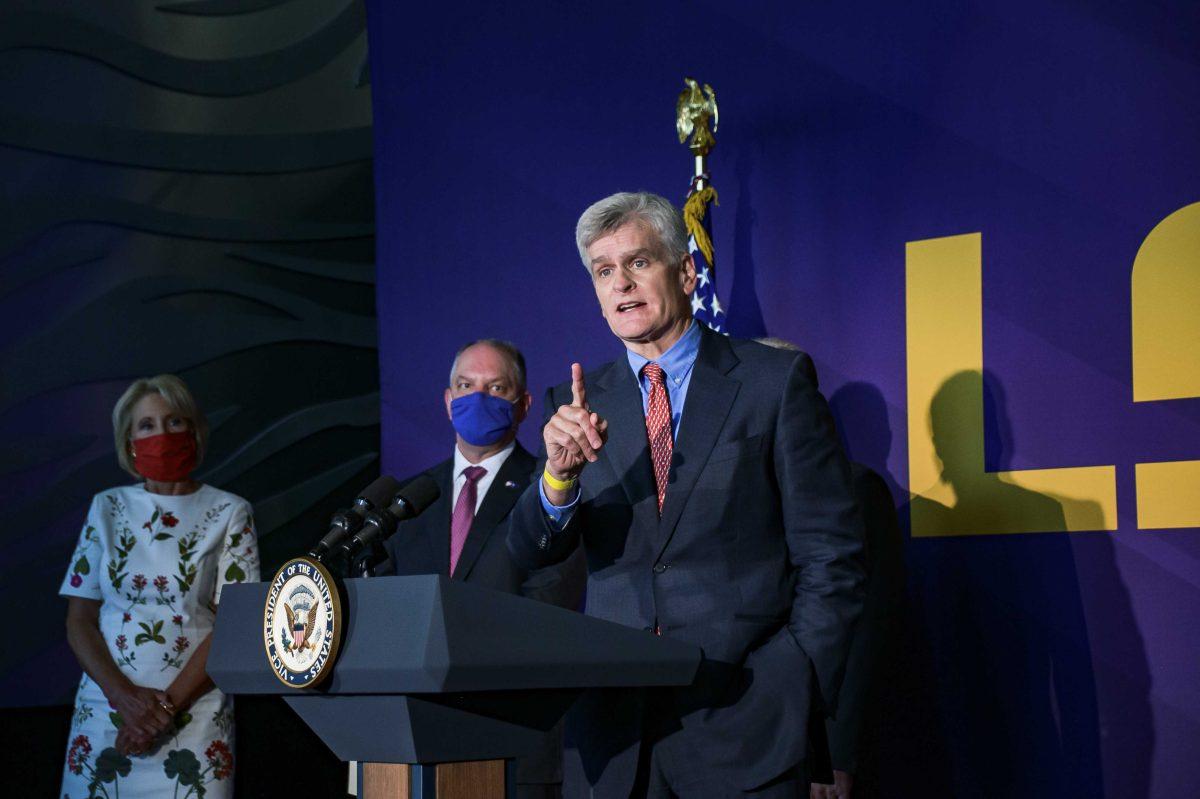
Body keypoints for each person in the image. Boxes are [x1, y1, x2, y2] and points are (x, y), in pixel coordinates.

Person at [507, 191, 866, 798]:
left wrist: (793, 681)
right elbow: (530, 551)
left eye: (638, 262)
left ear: (686, 271)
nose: (621, 283)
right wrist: (559, 478)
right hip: (618, 741)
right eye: (603, 271)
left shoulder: (771, 382)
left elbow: (831, 555)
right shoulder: (576, 405)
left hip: (746, 722)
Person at [376, 339, 585, 799]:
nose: (478, 398)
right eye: (466, 386)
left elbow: (549, 607)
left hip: (512, 737)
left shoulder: (551, 493)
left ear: (524, 404)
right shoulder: (406, 500)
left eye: (496, 388)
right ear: (449, 401)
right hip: (413, 742)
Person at [58, 375, 259, 799]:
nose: (161, 435)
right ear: (129, 441)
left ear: (195, 432)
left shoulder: (231, 511)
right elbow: (79, 619)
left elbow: (234, 624)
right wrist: (125, 700)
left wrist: (164, 709)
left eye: (174, 422)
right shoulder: (106, 507)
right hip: (104, 715)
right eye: (146, 425)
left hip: (196, 717)